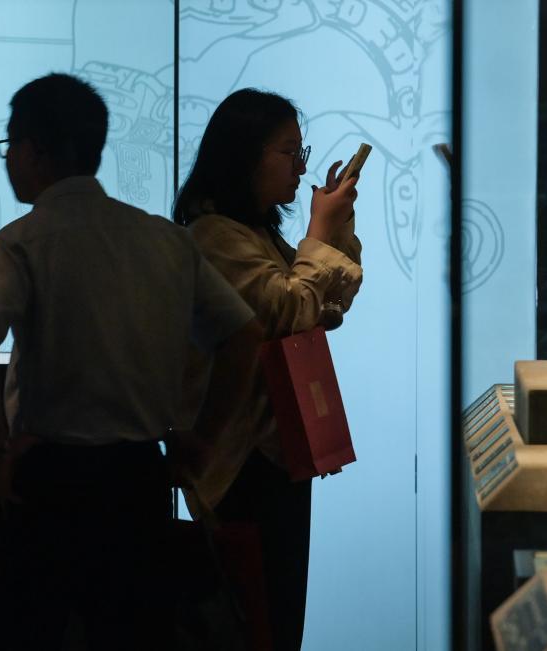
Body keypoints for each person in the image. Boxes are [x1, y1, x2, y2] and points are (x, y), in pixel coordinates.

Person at [0, 72, 262, 651]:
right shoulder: (164, 240)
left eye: (10, 145)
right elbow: (243, 335)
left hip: (48, 482)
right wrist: (203, 437)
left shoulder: (21, 241)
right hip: (138, 480)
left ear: (35, 150)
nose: (9, 159)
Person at [173, 88, 363, 651]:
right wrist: (320, 236)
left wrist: (333, 229)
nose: (300, 166)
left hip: (276, 449)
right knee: (257, 621)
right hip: (240, 458)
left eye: (301, 152)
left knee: (277, 618)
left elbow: (329, 301)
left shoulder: (254, 232)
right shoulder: (214, 235)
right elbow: (287, 311)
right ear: (244, 155)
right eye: (287, 151)